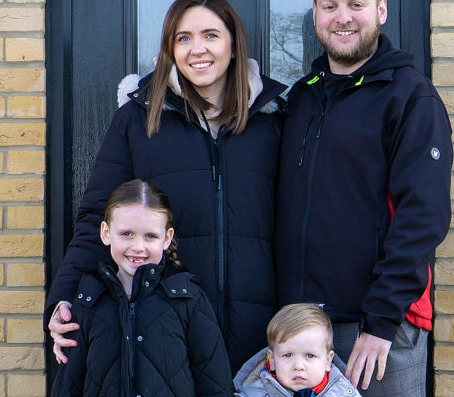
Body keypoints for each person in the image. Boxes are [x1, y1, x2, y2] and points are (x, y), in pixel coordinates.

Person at [46, 0, 286, 371]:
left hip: (264, 337)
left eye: (211, 35)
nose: (198, 49)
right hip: (165, 331)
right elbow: (99, 217)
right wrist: (64, 295)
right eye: (183, 38)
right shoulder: (138, 121)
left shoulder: (273, 120)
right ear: (170, 49)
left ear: (234, 45)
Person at [275, 0, 453, 397]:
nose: (343, 17)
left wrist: (381, 323)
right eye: (330, 5)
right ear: (315, 14)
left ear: (381, 11)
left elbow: (422, 217)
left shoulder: (409, 95)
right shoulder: (301, 98)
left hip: (375, 331)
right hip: (302, 331)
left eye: (356, 4)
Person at [45, 180, 237, 397]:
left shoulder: (188, 300)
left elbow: (216, 396)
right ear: (105, 232)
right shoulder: (88, 302)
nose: (138, 247)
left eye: (150, 236)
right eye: (126, 234)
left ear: (167, 238)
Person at [234, 303, 390, 397]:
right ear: (272, 360)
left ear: (328, 361)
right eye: (288, 355)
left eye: (309, 355)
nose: (298, 366)